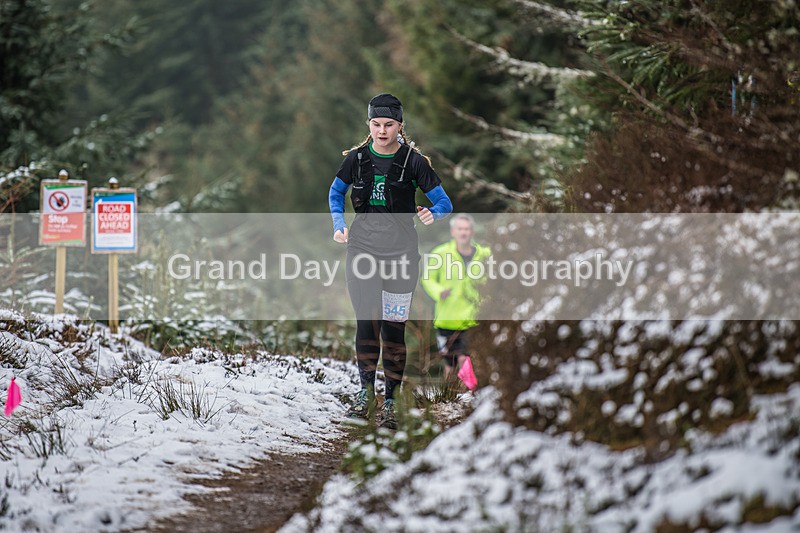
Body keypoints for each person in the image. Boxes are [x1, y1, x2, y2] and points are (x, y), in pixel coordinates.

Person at [328, 93, 453, 428]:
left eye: (389, 124)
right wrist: (339, 225)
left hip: (401, 258)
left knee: (393, 329)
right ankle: (365, 394)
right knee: (366, 323)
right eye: (376, 124)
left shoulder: (414, 161)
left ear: (400, 126)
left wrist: (433, 213)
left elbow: (444, 203)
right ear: (369, 125)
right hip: (362, 254)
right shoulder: (355, 159)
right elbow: (335, 192)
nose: (382, 131)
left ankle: (393, 401)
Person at [421, 213, 491, 381]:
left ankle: (468, 395)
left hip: (473, 318)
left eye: (467, 229)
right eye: (460, 229)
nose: (463, 233)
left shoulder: (485, 254)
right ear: (453, 232)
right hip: (447, 318)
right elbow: (427, 278)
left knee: (465, 358)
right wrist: (438, 291)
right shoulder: (440, 253)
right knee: (449, 364)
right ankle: (449, 398)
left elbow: (496, 280)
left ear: (472, 232)